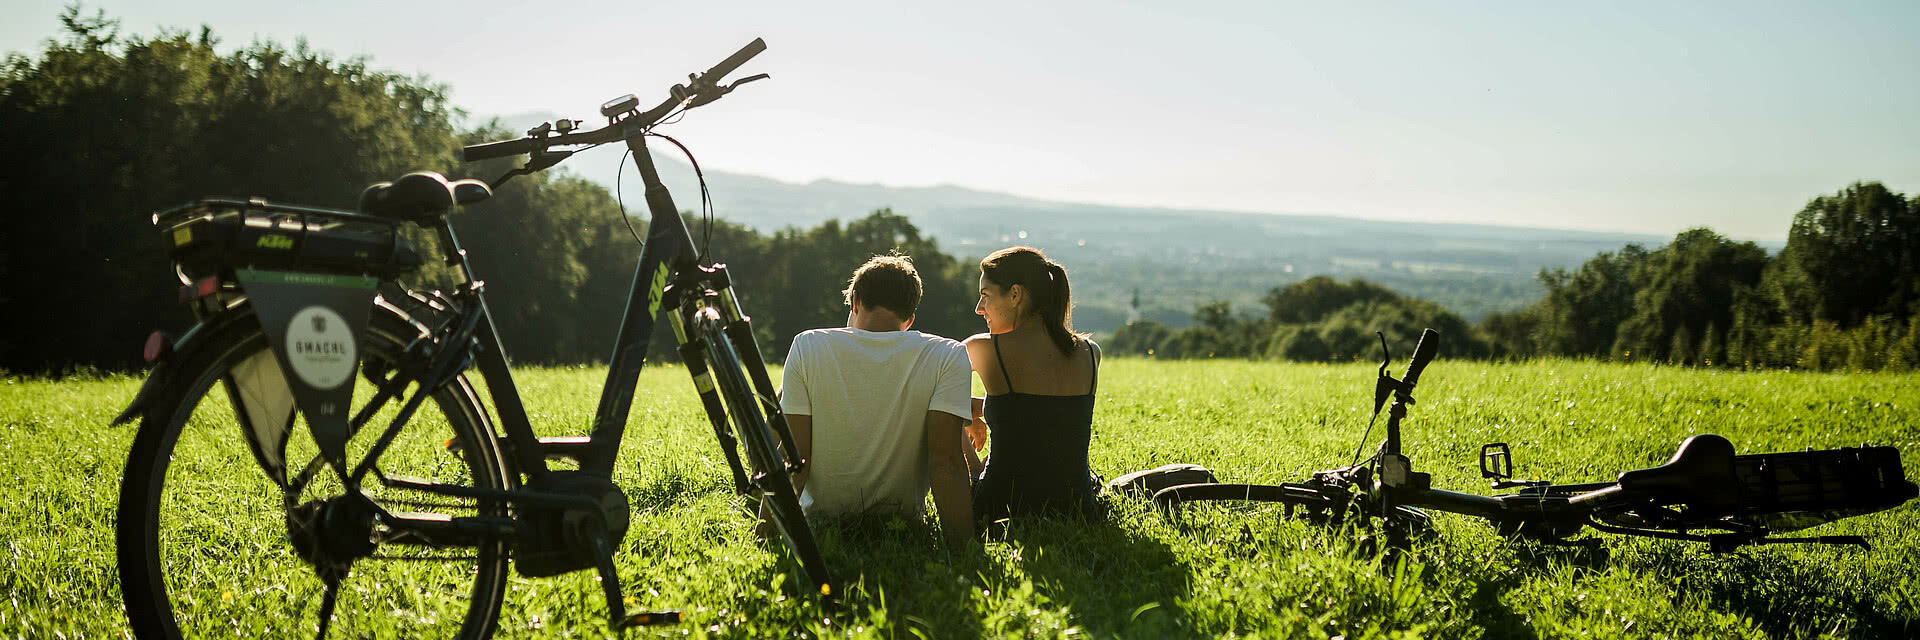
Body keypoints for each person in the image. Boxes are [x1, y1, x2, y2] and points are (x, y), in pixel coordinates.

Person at [777, 254, 976, 546]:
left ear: (855, 302)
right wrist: (965, 549)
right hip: (901, 523)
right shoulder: (948, 354)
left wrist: (764, 533)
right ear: (909, 319)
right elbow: (946, 461)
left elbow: (794, 457)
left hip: (822, 520)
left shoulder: (808, 344)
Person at [964, 246, 1102, 524]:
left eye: (985, 296)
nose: (979, 309)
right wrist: (977, 412)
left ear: (1015, 295)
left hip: (1000, 508)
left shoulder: (982, 349)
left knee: (941, 412)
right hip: (1077, 510)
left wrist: (965, 421)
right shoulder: (1090, 352)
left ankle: (974, 479)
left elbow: (938, 403)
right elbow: (1039, 413)